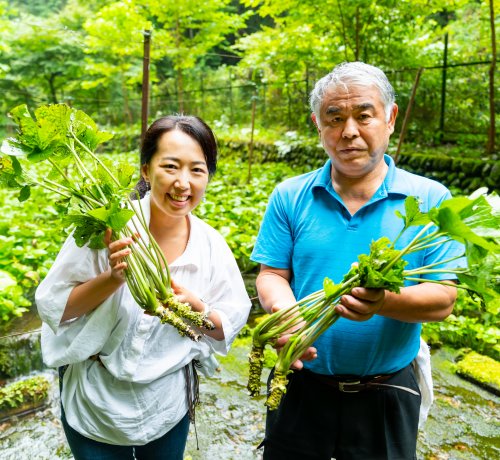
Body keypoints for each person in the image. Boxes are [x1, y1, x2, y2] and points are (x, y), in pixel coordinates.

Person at [251, 62, 464, 460]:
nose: (349, 131)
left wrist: (383, 302)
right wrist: (286, 311)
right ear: (318, 124)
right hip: (300, 383)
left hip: (387, 391)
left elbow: (443, 299)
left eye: (363, 115)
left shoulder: (431, 200)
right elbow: (272, 275)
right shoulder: (289, 195)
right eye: (334, 118)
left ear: (390, 117)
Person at [35, 115, 251, 459]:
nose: (183, 183)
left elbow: (226, 326)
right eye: (170, 166)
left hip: (166, 406)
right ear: (146, 171)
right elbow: (54, 308)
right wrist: (113, 277)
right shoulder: (107, 227)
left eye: (197, 170)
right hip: (96, 403)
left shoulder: (211, 246)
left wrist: (196, 307)